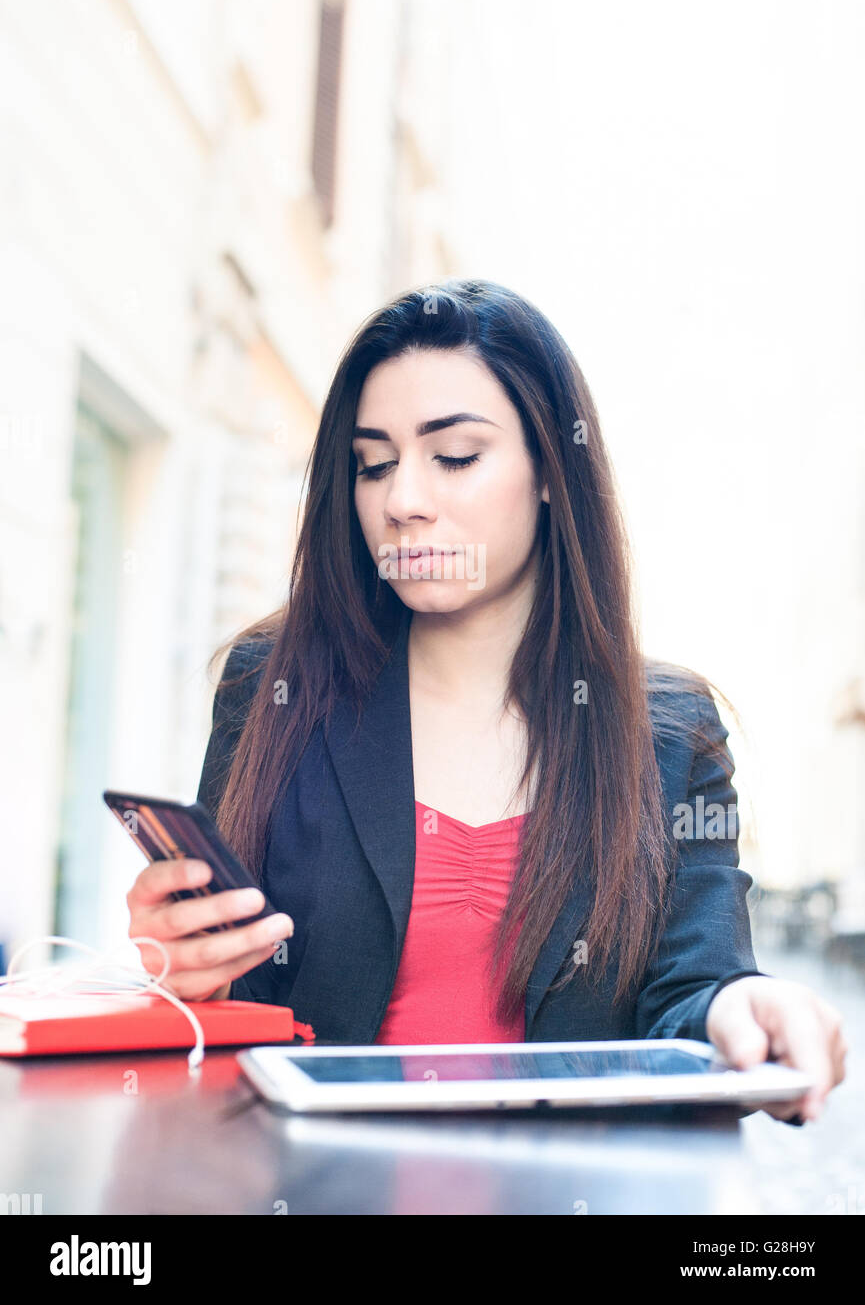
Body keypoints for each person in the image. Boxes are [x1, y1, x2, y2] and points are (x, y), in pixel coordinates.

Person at [127, 278, 846, 1123]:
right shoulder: (274, 689)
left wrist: (741, 1009)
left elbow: (692, 991)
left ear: (551, 469)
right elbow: (240, 999)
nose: (402, 501)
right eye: (373, 464)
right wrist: (185, 971)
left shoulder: (670, 732)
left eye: (456, 457)